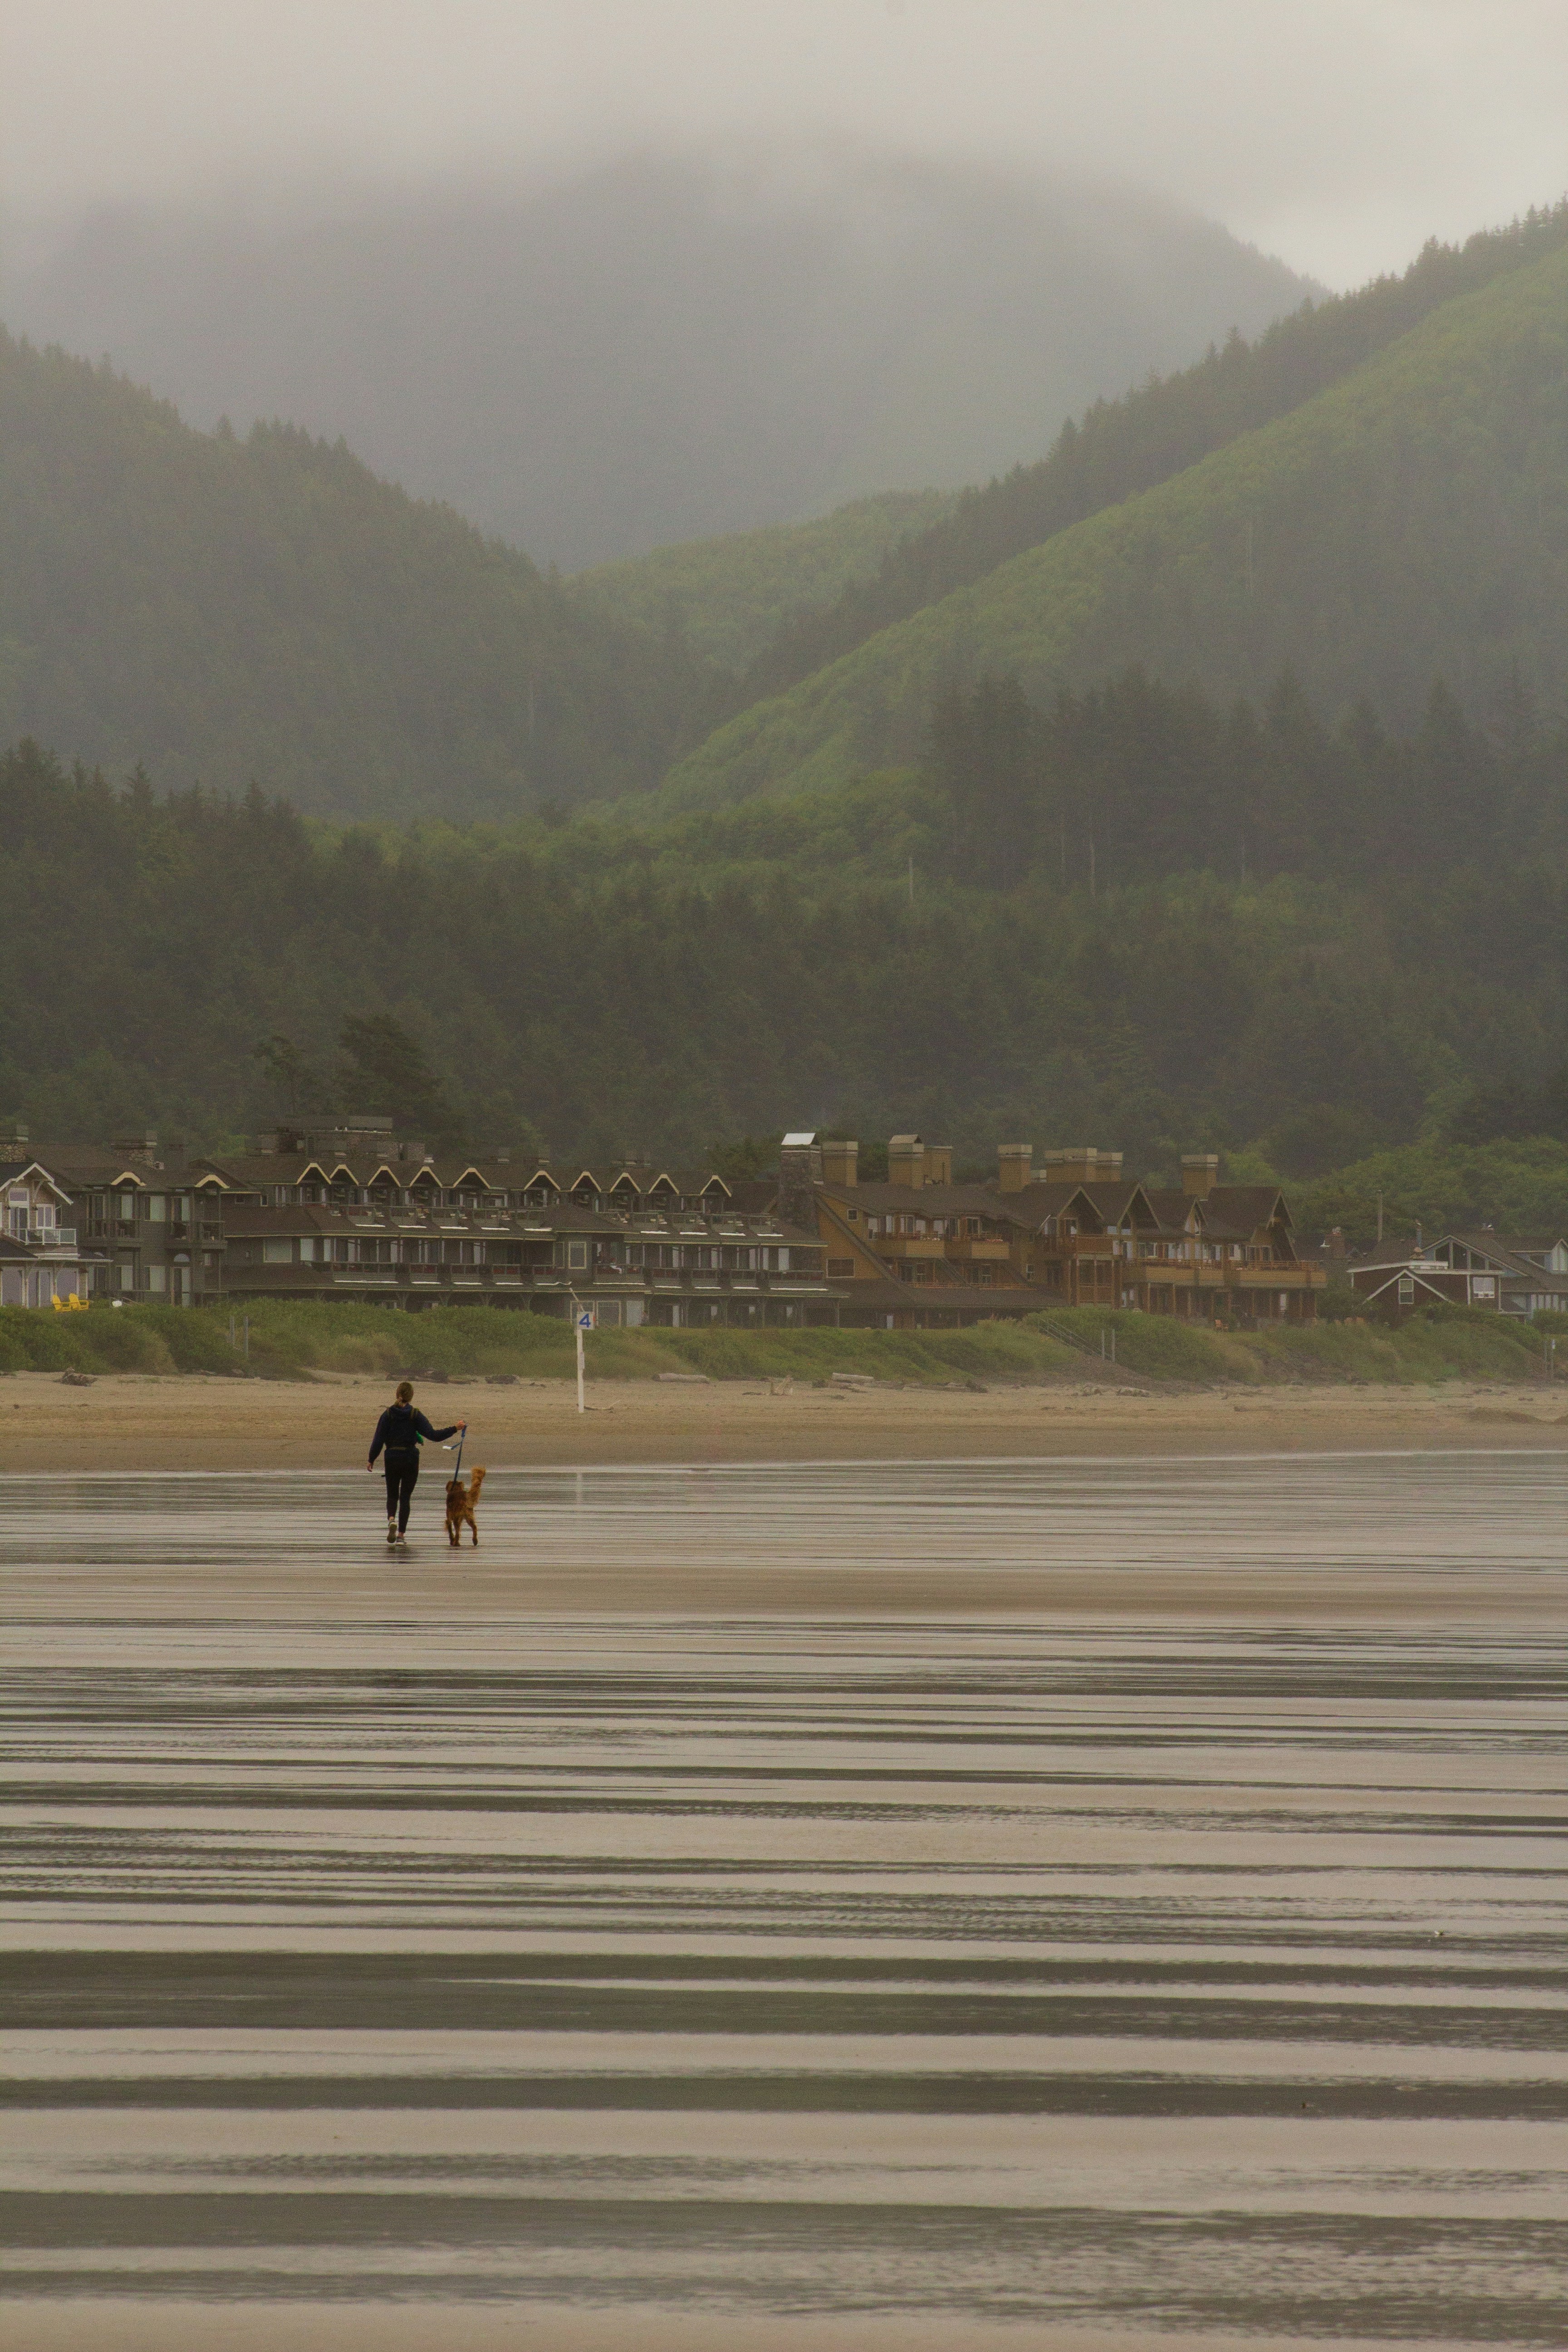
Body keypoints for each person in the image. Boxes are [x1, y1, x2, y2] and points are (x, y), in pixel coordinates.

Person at [368, 1380, 466, 1545]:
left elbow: (378, 1440)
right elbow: (434, 1435)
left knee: (392, 1495)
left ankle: (392, 1519)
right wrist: (455, 1428)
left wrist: (371, 1459)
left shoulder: (387, 1415)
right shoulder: (415, 1415)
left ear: (397, 1394)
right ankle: (401, 1536)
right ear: (411, 1397)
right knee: (405, 1498)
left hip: (392, 1457)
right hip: (410, 1458)